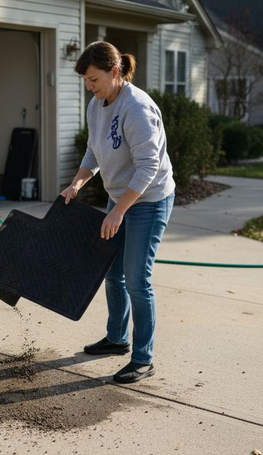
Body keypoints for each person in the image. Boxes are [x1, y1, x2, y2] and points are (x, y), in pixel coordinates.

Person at [61, 41, 175, 384]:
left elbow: (148, 167)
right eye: (85, 81)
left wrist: (118, 211)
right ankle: (117, 339)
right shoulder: (97, 105)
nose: (89, 87)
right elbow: (92, 154)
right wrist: (77, 185)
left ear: (115, 72)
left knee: (138, 279)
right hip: (121, 198)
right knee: (113, 272)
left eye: (94, 79)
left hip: (149, 200)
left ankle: (143, 359)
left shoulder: (137, 108)